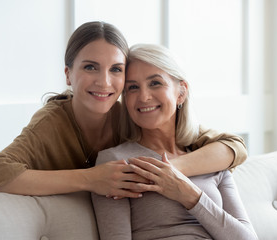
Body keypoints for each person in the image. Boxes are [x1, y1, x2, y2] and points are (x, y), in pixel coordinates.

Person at [0, 21, 247, 199]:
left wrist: (167, 169)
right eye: (90, 67)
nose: (104, 82)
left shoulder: (131, 113)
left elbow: (234, 146)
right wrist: (91, 179)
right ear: (68, 75)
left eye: (116, 70)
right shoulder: (51, 122)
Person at [91, 44, 257, 239]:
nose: (144, 97)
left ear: (181, 93)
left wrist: (188, 194)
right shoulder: (116, 162)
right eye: (133, 88)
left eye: (155, 83)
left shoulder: (210, 159)